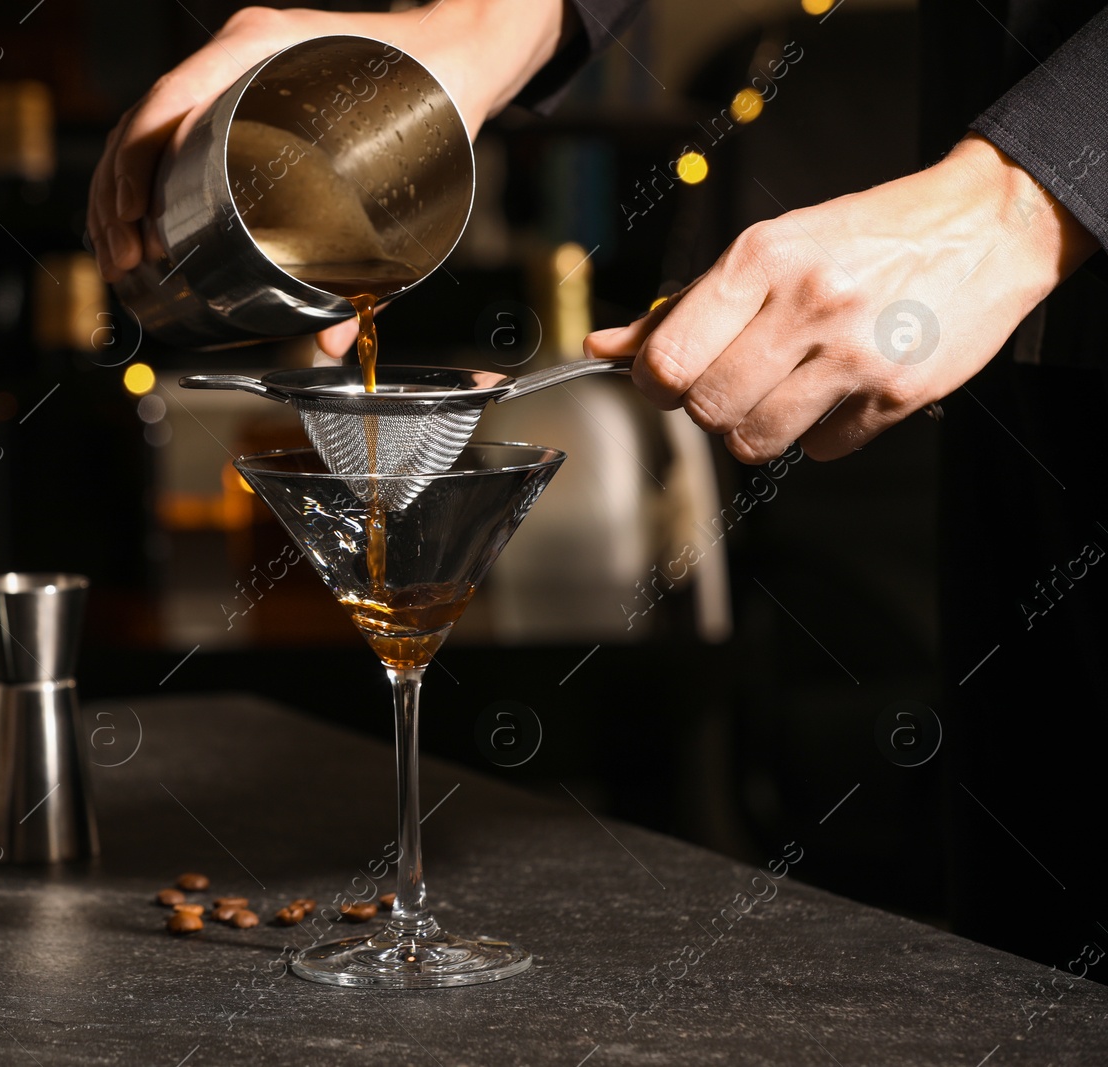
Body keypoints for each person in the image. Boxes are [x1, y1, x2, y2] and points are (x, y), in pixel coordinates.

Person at [89, 0, 1108, 971]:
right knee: (1033, 946)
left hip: (1014, 268)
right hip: (1007, 402)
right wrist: (485, 25)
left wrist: (1024, 200)